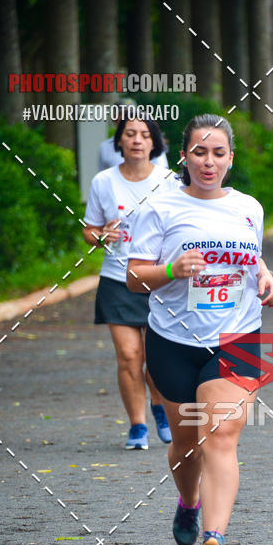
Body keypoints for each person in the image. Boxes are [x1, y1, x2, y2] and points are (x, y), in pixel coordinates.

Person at [127, 114, 273, 545]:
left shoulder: (249, 207)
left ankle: (215, 539)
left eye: (218, 153)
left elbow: (253, 261)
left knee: (223, 435)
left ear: (230, 158)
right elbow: (134, 277)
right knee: (187, 445)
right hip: (172, 340)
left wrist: (268, 279)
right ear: (184, 157)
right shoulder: (161, 207)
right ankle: (188, 503)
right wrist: (172, 270)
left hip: (240, 337)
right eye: (199, 152)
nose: (208, 161)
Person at [83, 117, 179, 449]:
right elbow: (89, 231)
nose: (137, 140)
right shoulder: (103, 182)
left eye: (145, 135)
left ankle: (159, 408)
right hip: (117, 279)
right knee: (128, 355)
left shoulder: (169, 181)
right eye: (130, 134)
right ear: (119, 142)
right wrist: (101, 237)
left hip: (158, 281)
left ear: (155, 143)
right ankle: (137, 426)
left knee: (155, 358)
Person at [99, 102, 169, 172]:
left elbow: (162, 171)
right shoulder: (105, 146)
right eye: (123, 114)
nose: (137, 141)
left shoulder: (150, 142)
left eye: (131, 114)